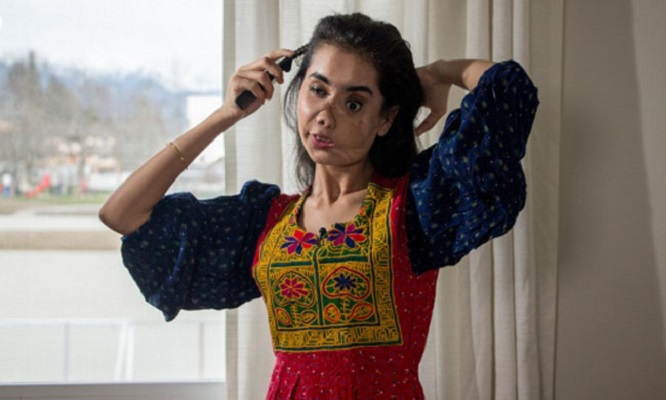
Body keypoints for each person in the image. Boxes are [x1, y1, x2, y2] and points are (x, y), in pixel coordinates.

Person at [99, 12, 538, 400]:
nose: (326, 115)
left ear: (386, 119)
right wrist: (226, 115)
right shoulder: (265, 223)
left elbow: (507, 88)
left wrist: (439, 72)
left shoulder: (414, 207)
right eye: (318, 90)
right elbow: (123, 215)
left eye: (354, 103)